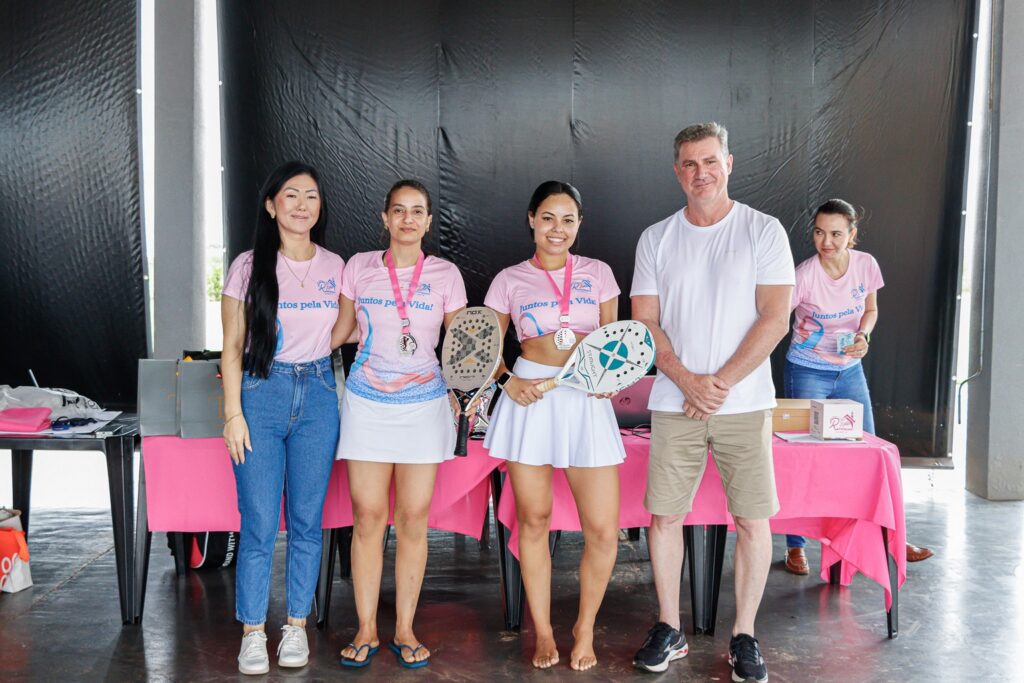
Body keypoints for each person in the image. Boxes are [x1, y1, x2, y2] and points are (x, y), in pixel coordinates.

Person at [630, 122, 794, 682]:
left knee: (752, 520)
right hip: (675, 403)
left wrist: (717, 383)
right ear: (677, 170)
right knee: (665, 515)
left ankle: (744, 634)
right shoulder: (656, 238)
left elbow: (776, 317)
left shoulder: (763, 231)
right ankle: (669, 627)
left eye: (710, 161)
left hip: (744, 404)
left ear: (729, 162)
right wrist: (685, 379)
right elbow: (645, 322)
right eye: (689, 163)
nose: (701, 172)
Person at [483, 181, 624, 671]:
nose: (557, 229)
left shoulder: (599, 274)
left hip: (585, 400)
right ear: (531, 220)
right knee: (534, 521)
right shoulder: (508, 279)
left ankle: (584, 627)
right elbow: (483, 345)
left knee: (604, 530)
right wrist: (506, 382)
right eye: (547, 218)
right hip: (531, 398)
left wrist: (610, 378)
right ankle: (543, 630)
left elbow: (615, 343)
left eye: (567, 220)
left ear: (579, 224)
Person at [331, 180, 467, 669]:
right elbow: (342, 332)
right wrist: (281, 354)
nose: (408, 220)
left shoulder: (446, 274)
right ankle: (366, 627)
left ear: (429, 221)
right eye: (399, 211)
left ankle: (405, 627)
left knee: (413, 521)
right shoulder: (359, 268)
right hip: (367, 404)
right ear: (384, 219)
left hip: (424, 405)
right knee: (367, 519)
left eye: (417, 212)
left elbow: (460, 345)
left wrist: (476, 389)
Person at [221, 161, 345, 675]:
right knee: (258, 521)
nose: (301, 205)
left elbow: (347, 325)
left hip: (317, 394)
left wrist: (313, 353)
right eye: (290, 195)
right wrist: (233, 413)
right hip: (260, 393)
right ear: (271, 205)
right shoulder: (248, 266)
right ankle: (253, 631)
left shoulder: (337, 265)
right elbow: (230, 347)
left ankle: (296, 626)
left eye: (311, 196)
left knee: (306, 520)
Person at [782, 199, 933, 576]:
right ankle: (795, 546)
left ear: (852, 235)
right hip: (806, 371)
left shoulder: (866, 265)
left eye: (835, 233)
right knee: (804, 459)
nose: (826, 241)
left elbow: (871, 309)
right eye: (819, 232)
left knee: (871, 455)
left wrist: (864, 335)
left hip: (850, 371)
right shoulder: (803, 275)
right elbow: (772, 318)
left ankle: (888, 538)